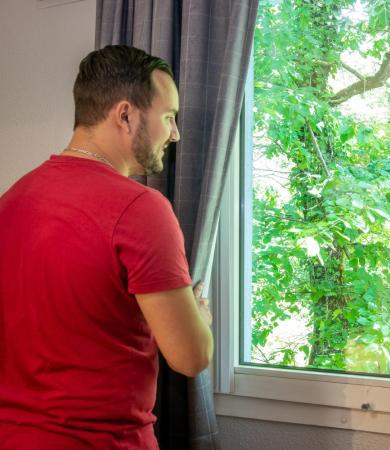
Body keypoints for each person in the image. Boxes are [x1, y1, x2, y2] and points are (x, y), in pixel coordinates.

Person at [0, 45, 213, 449]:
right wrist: (200, 315)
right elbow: (191, 357)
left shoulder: (11, 199)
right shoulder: (142, 209)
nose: (175, 133)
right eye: (168, 117)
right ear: (126, 114)